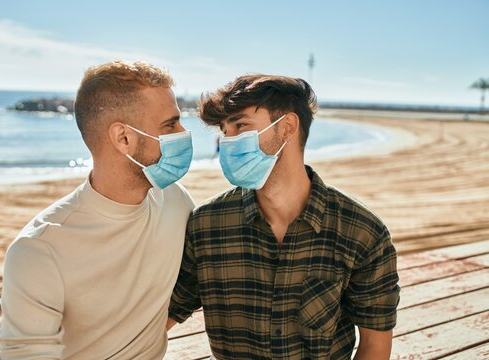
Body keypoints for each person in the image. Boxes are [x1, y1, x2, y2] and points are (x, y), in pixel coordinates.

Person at [167, 75, 400, 359]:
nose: (228, 142)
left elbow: (374, 346)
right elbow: (167, 312)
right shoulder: (206, 226)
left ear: (288, 127)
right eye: (224, 131)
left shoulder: (362, 231)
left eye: (240, 126)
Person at [0, 60, 195, 359]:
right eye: (170, 124)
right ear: (123, 138)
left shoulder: (175, 201)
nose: (183, 132)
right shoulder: (39, 249)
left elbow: (192, 278)